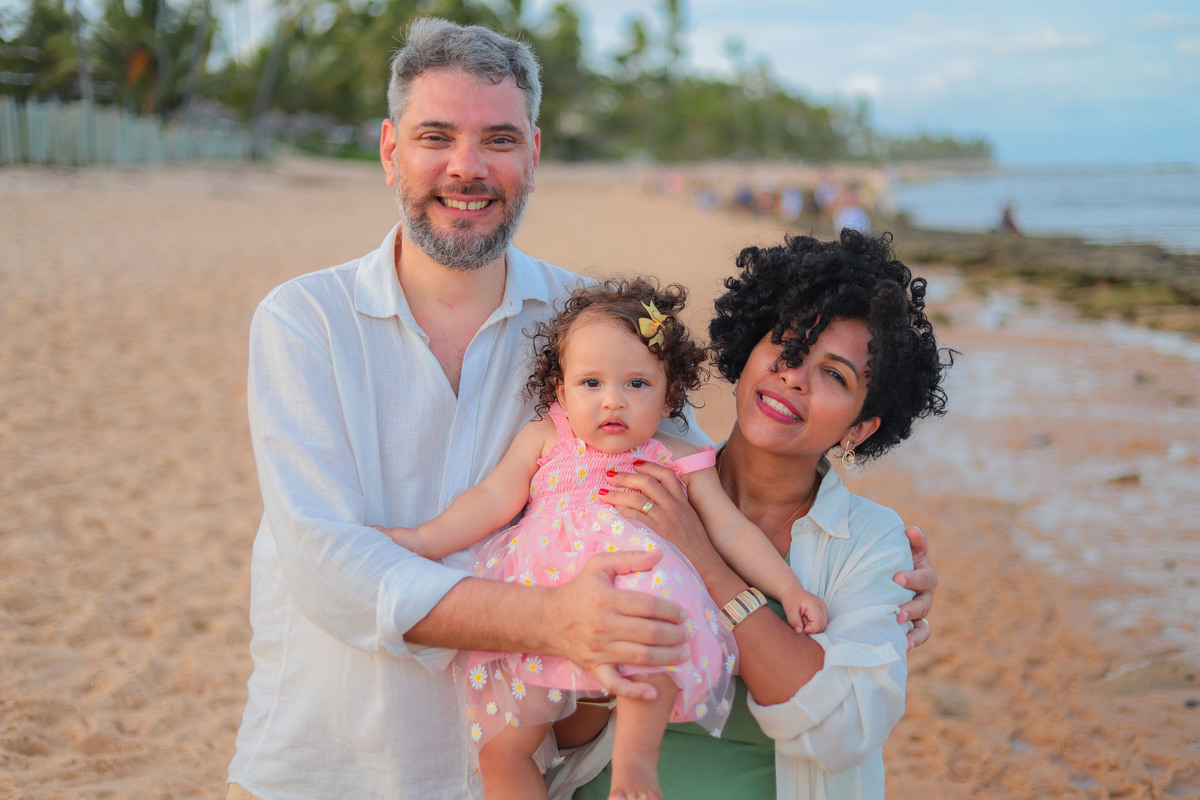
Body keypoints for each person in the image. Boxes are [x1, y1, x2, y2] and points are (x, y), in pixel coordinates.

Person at [226, 17, 936, 800]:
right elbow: (327, 566)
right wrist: (550, 621)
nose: (467, 168)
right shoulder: (306, 321)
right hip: (323, 766)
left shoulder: (587, 321)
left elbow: (697, 470)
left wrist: (872, 585)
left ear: (532, 155)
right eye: (437, 136)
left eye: (498, 139)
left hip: (499, 773)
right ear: (391, 149)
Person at [377, 278, 827, 800]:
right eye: (592, 383)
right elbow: (492, 499)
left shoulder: (677, 454)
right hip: (541, 603)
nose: (614, 401)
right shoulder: (546, 437)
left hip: (639, 588)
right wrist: (425, 540)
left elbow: (731, 531)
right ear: (560, 391)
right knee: (503, 750)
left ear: (669, 394)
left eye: (637, 384)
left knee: (651, 652)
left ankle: (635, 765)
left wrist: (790, 590)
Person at [571, 230, 953, 799]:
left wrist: (707, 565)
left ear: (859, 428)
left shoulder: (874, 542)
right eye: (788, 344)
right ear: (749, 347)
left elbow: (844, 730)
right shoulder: (632, 471)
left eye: (835, 375)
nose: (794, 375)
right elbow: (559, 727)